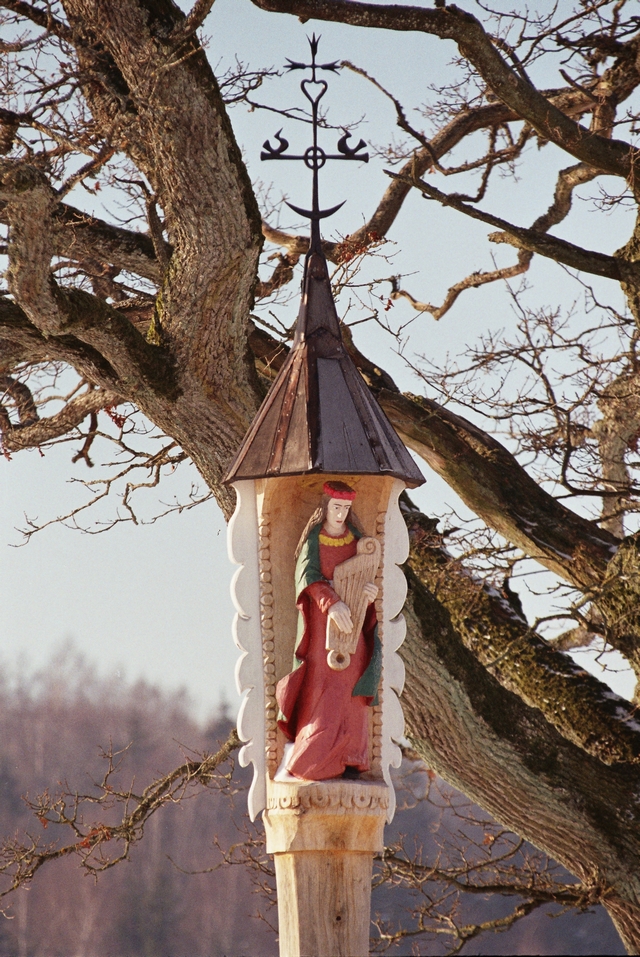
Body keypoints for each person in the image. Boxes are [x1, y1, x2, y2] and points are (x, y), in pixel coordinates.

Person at [276, 481, 382, 781]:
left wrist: (367, 594)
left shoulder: (358, 540)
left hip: (354, 624)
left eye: (346, 509)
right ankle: (313, 760)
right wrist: (331, 603)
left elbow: (364, 573)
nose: (340, 514)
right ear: (325, 507)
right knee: (324, 687)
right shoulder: (314, 539)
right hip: (323, 624)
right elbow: (308, 577)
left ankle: (352, 758)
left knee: (353, 684)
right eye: (336, 507)